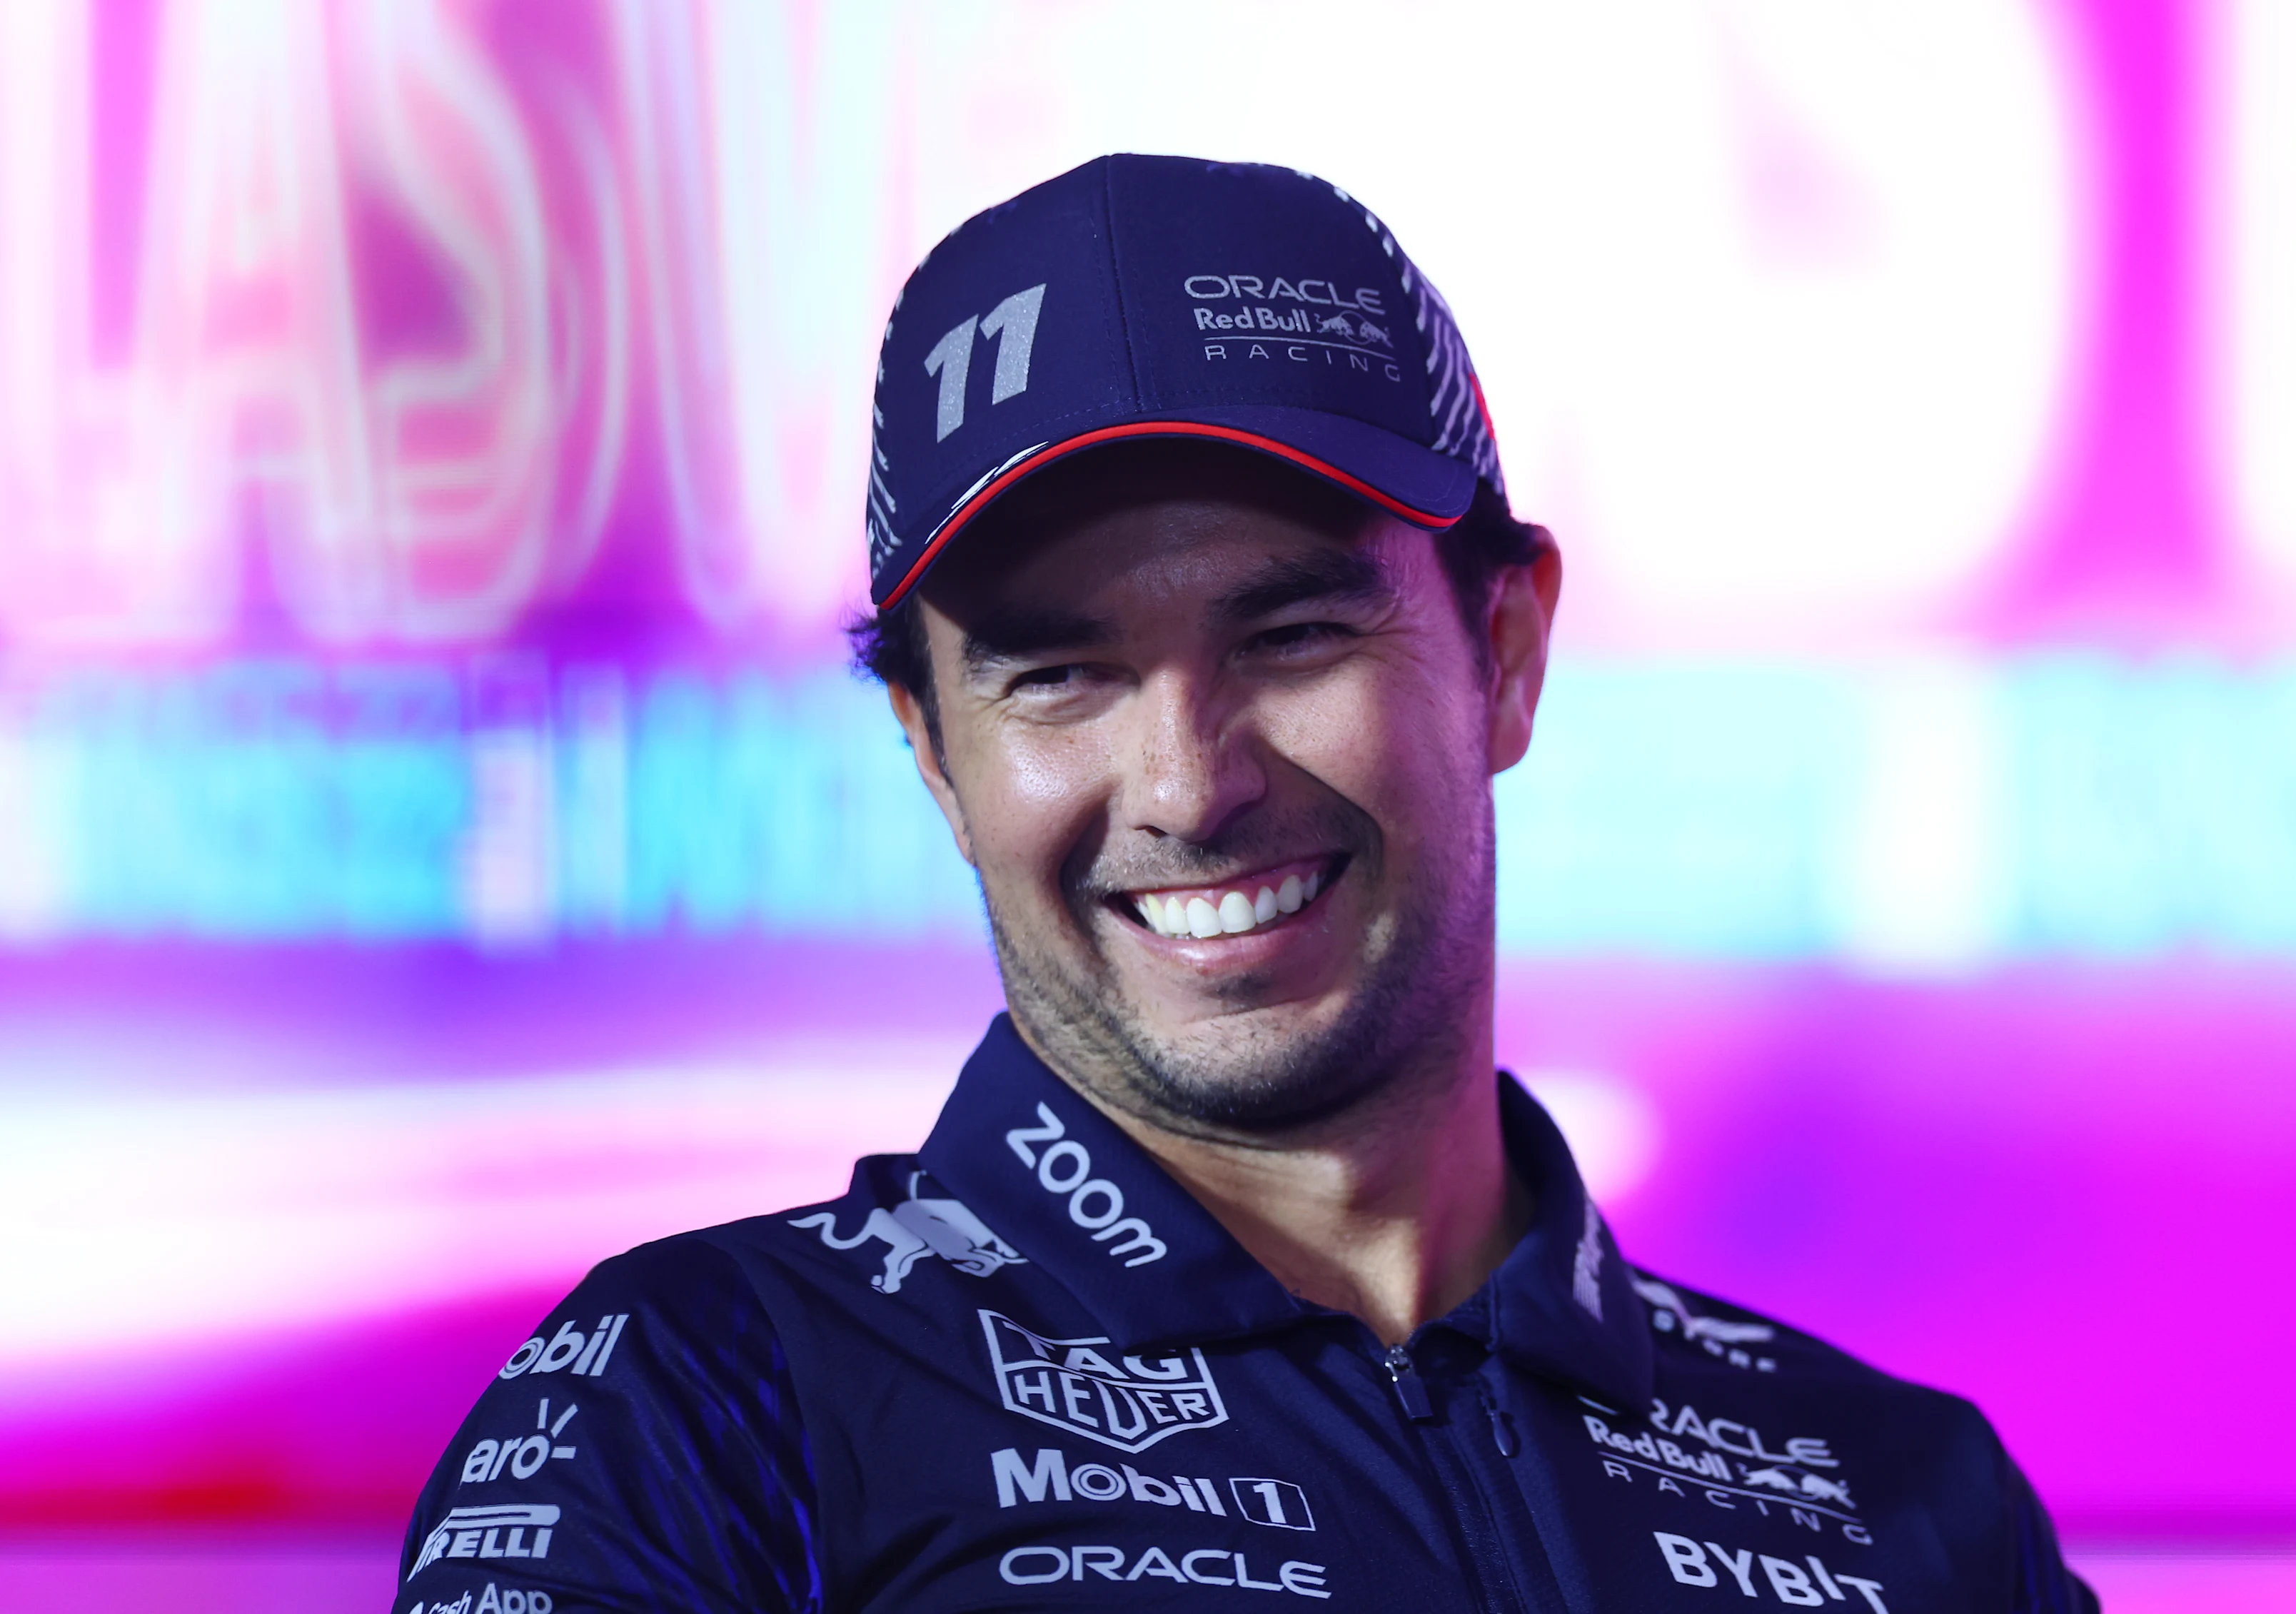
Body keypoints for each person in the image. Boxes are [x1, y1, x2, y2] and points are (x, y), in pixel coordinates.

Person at [393, 154, 2097, 1614]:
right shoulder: (698, 1402)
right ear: (929, 742)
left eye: (1288, 634)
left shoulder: (1900, 1502)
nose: (1191, 784)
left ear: (1502, 652)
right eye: (1054, 676)